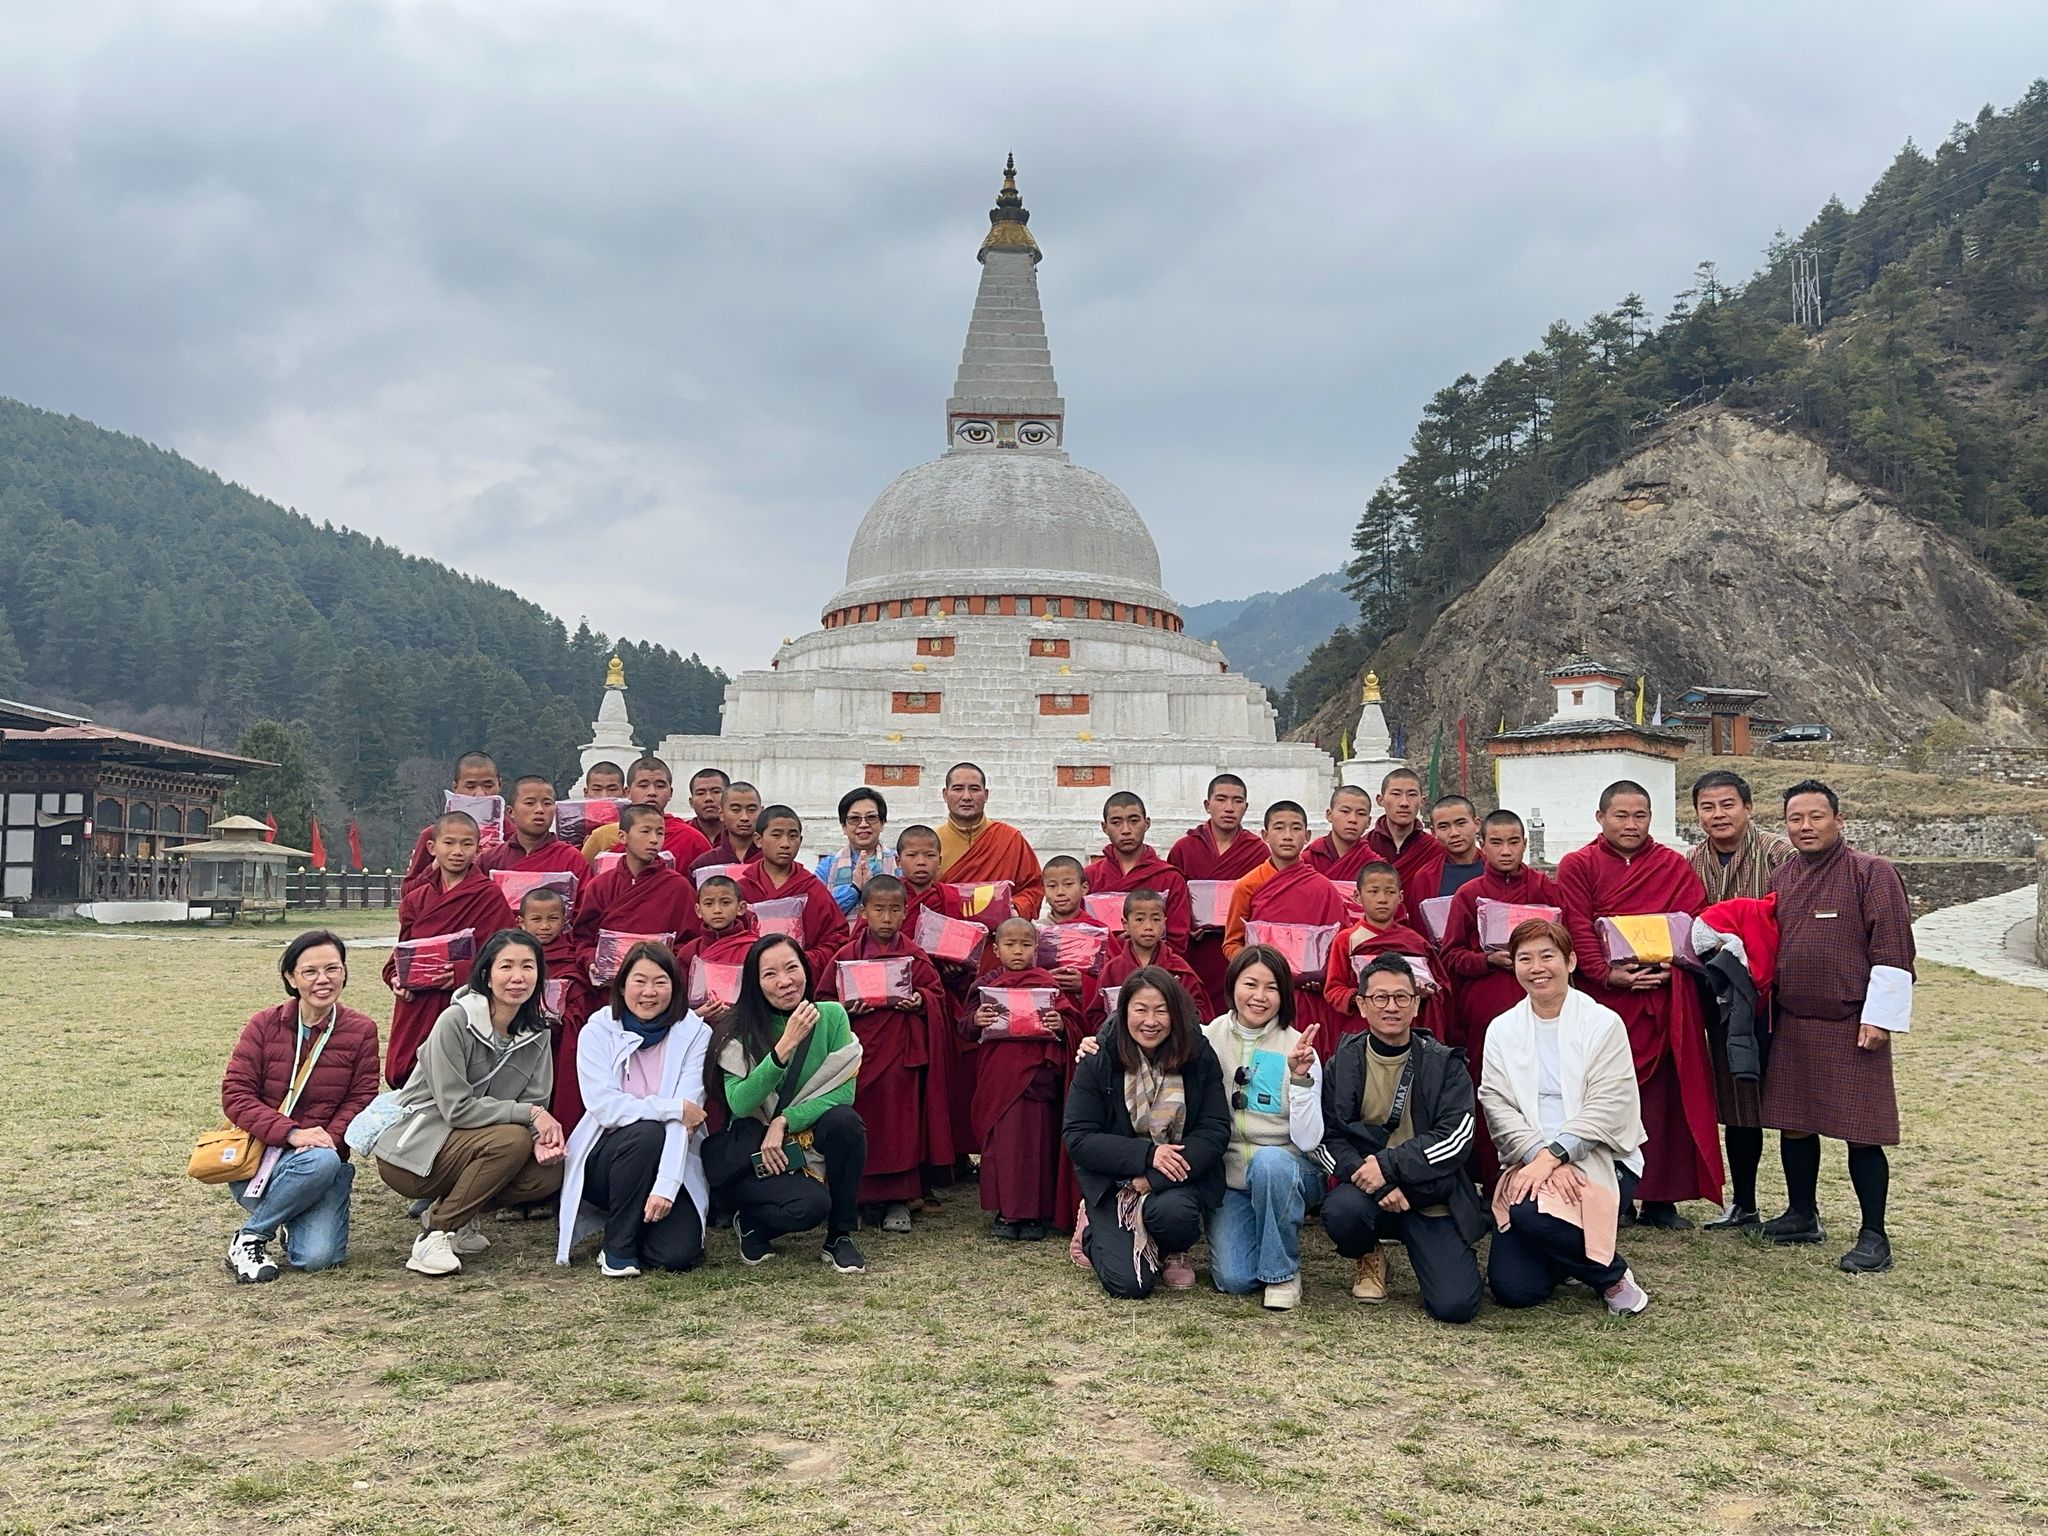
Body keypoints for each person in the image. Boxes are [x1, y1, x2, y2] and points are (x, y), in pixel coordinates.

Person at [1761, 780, 1915, 1274]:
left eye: (1816, 816)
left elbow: (1893, 947)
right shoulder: (1783, 875)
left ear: (1838, 820)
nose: (1805, 827)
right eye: (1795, 819)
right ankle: (1802, 1215)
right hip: (1794, 1019)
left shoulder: (1872, 873)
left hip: (1852, 1021)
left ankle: (1875, 1234)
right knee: (1795, 1124)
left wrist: (1880, 1017)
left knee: (1862, 1131)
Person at [1555, 780, 1722, 1227]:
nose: (1631, 825)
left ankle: (1661, 1198)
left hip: (1664, 1000)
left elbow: (1695, 922)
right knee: (1606, 1096)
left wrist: (1679, 966)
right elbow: (1575, 923)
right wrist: (1604, 972)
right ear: (1601, 817)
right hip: (1606, 1001)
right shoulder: (1579, 865)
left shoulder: (1671, 864)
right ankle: (1616, 1193)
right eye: (1621, 816)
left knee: (1663, 1099)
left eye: (1640, 816)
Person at [1478, 920, 1651, 1316]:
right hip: (1529, 1156)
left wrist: (1554, 1156)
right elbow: (1496, 1102)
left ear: (1570, 961)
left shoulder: (1603, 1023)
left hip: (1600, 1158)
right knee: (1514, 1290)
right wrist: (1539, 1155)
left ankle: (1612, 1277)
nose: (1537, 967)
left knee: (1526, 1212)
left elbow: (1608, 1105)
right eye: (1525, 958)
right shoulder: (1502, 1029)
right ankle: (1569, 1255)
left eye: (1547, 956)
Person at [371, 929, 566, 1276]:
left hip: (473, 1146)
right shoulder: (455, 1021)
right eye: (506, 966)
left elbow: (535, 1100)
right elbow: (457, 1108)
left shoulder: (537, 1034)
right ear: (487, 974)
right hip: (415, 1153)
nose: (517, 977)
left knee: (547, 1171)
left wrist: (542, 1141)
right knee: (512, 1139)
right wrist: (531, 1117)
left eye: (528, 967)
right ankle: (435, 1235)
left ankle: (455, 1216)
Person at [1319, 955, 1486, 1321]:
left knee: (1455, 1307)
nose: (1391, 1007)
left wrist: (1387, 1166)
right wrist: (1376, 1184)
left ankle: (1445, 1253)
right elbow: (1327, 1139)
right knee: (1341, 1211)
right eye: (1380, 998)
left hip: (1430, 1194)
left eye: (1401, 997)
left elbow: (1456, 1139)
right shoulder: (1343, 1062)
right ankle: (1369, 1254)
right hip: (1368, 1193)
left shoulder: (1445, 1064)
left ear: (1417, 1004)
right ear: (1362, 1005)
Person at [218, 930, 382, 1282]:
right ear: (291, 978)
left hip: (321, 1157)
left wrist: (327, 1139)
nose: (323, 980)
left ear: (344, 972)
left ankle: (263, 1227)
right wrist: (290, 1133)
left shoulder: (362, 1029)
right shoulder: (264, 1024)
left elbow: (362, 1098)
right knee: (319, 1162)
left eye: (332, 969)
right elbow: (236, 1093)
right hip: (262, 1156)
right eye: (310, 972)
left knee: (318, 1259)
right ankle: (256, 1235)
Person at [1062, 970, 1231, 1300]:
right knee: (1129, 1285)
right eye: (1140, 1009)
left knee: (1176, 1215)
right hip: (1115, 1184)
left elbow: (1214, 1130)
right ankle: (1092, 1230)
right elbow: (1078, 1136)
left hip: (1174, 1179)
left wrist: (1155, 1177)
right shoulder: (1100, 1055)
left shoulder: (1197, 1055)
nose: (1150, 1021)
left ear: (1177, 1012)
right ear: (1124, 1011)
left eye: (1161, 1010)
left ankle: (1171, 1249)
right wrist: (1148, 1156)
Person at [706, 935, 869, 1273]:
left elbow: (842, 1090)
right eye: (770, 974)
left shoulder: (831, 1016)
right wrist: (785, 1046)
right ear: (755, 981)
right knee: (810, 1207)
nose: (784, 981)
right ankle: (752, 1224)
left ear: (805, 970)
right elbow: (740, 1103)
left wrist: (784, 1122)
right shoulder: (737, 1029)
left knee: (846, 1122)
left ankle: (840, 1235)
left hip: (802, 1134)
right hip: (754, 1147)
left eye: (791, 968)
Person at [556, 941, 711, 1277]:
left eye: (660, 982)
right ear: (622, 984)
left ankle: (638, 1222)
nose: (649, 992)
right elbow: (606, 1108)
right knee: (646, 1131)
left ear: (676, 986)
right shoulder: (598, 1030)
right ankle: (617, 1248)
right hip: (608, 1159)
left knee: (676, 1255)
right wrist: (671, 1108)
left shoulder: (695, 1033)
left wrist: (666, 1187)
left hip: (671, 1157)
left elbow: (686, 1119)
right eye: (639, 981)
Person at [1685, 769, 1796, 1232]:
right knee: (1737, 1099)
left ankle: (1801, 1209)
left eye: (1727, 804)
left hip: (1778, 993)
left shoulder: (1780, 854)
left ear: (1748, 808)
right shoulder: (1690, 861)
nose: (1718, 815)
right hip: (1723, 996)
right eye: (1708, 807)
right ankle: (1744, 1204)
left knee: (1793, 1101)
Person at [816, 874, 954, 1233]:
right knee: (863, 1122)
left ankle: (899, 1199)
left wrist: (921, 1000)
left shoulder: (913, 954)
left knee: (900, 1126)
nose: (887, 918)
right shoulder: (846, 956)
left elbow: (936, 993)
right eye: (879, 910)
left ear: (906, 912)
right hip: (858, 1056)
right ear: (864, 912)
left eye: (895, 910)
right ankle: (859, 1199)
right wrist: (848, 1008)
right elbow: (824, 1000)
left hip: (901, 1056)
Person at [1439, 809, 1562, 1192]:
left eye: (1513, 842)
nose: (1506, 851)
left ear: (1525, 844)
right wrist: (1485, 959)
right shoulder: (1469, 894)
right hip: (1486, 1006)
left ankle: (1543, 1176)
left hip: (1540, 1004)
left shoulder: (1545, 889)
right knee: (1490, 1091)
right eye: (1496, 842)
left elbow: (1564, 945)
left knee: (1540, 1088)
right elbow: (1449, 955)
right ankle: (1491, 1181)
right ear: (1483, 846)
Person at [1202, 945, 1325, 1309]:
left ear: (1283, 994)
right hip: (1231, 1176)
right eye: (1250, 984)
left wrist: (1301, 1080)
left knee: (1270, 1164)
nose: (1259, 997)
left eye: (1271, 988)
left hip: (1288, 1168)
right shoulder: (1208, 1038)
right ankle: (1263, 1233)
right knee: (1234, 1279)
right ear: (1232, 986)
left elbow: (1310, 1139)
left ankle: (1283, 1273)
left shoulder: (1299, 1046)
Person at [382, 811, 517, 1086]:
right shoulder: (416, 899)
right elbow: (401, 951)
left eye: (467, 844)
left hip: (465, 1000)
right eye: (449, 843)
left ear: (478, 850)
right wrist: (394, 977)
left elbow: (505, 954)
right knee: (408, 1075)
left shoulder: (488, 895)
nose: (457, 851)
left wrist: (462, 973)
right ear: (432, 848)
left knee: (457, 1075)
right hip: (418, 1002)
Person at [971, 916, 1086, 1240]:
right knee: (1003, 1145)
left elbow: (1072, 1022)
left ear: (1036, 948)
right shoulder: (989, 982)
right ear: (996, 949)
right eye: (1010, 944)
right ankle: (1007, 1214)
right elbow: (965, 1025)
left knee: (1038, 1145)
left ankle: (1036, 1214)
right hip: (999, 1076)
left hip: (1037, 1077)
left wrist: (1062, 1025)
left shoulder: (1047, 983)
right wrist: (977, 1018)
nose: (1018, 951)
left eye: (1025, 944)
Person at [1222, 800, 1349, 1052]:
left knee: (1307, 1061)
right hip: (1263, 995)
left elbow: (1340, 943)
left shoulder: (1322, 887)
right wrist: (1258, 970)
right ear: (1265, 835)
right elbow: (1232, 943)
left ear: (1308, 835)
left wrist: (1323, 976)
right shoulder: (1248, 885)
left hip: (1309, 997)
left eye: (1296, 828)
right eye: (1279, 828)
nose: (1288, 836)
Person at [1168, 773, 1270, 1017]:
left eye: (1237, 801)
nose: (1229, 808)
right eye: (1221, 800)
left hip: (1238, 951)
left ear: (1246, 807)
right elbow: (1172, 900)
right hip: (1196, 950)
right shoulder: (1185, 848)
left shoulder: (1257, 851)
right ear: (1207, 805)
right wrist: (1185, 925)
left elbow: (1265, 902)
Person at [574, 804, 700, 985]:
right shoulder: (601, 886)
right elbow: (582, 938)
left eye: (660, 833)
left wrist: (662, 964)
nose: (654, 840)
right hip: (608, 985)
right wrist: (591, 959)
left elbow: (690, 942)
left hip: (659, 983)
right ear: (622, 837)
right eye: (645, 831)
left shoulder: (678, 886)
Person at [1321, 860, 1440, 1041]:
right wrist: (1364, 998)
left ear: (1400, 897)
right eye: (1373, 891)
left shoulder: (1415, 941)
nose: (1382, 899)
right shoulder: (1346, 940)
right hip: (1361, 1028)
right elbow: (1333, 989)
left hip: (1406, 1029)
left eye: (1390, 892)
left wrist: (1424, 993)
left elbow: (1441, 987)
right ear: (1357, 896)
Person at [741, 806, 852, 978]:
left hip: (799, 981)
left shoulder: (812, 889)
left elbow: (836, 940)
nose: (785, 844)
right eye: (776, 835)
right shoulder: (743, 888)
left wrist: (801, 960)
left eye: (792, 836)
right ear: (758, 839)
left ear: (800, 840)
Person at [516, 885, 590, 1143]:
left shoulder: (570, 957)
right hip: (515, 1044)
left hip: (557, 1045)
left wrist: (562, 1019)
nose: (545, 926)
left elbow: (579, 1002)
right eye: (536, 919)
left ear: (565, 920)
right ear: (521, 922)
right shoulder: (511, 954)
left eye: (553, 919)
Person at [1083, 793, 1192, 953]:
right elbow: (1080, 934)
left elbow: (1178, 939)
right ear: (1104, 827)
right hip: (1103, 973)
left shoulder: (1170, 877)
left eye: (1134, 821)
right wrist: (1115, 949)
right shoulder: (1089, 877)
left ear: (1147, 823)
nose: (1126, 830)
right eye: (1116, 822)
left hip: (1155, 973)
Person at [936, 761, 1044, 918]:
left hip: (1001, 936)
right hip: (949, 933)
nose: (966, 797)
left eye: (974, 789)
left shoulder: (1010, 839)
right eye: (958, 789)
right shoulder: (931, 843)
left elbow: (1034, 887)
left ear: (986, 795)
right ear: (945, 794)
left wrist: (1016, 909)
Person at [580, 756, 714, 869]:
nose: (652, 793)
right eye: (643, 786)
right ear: (627, 792)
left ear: (670, 793)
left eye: (660, 786)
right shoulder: (604, 836)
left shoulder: (692, 839)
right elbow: (586, 884)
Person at [1100, 889, 1211, 1018]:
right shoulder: (1112, 969)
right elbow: (1097, 1015)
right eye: (1140, 919)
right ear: (1125, 924)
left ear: (1164, 923)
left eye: (1156, 919)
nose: (1148, 926)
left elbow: (1200, 1011)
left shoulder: (1178, 968)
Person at [402, 751, 502, 888]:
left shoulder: (513, 836)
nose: (480, 794)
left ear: (499, 785)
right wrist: (440, 861)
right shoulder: (434, 834)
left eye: (488, 786)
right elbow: (408, 892)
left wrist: (499, 855)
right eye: (470, 786)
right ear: (455, 788)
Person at [1361, 768, 1445, 927]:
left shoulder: (1435, 850)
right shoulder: (1364, 848)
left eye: (1412, 795)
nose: (1404, 803)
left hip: (1421, 937)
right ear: (1381, 800)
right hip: (1372, 934)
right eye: (1396, 794)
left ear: (1422, 801)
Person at [674, 875, 759, 1024]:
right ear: (698, 910)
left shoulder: (754, 949)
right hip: (699, 1027)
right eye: (709, 903)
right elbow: (677, 1001)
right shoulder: (689, 952)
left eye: (725, 902)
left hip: (745, 1025)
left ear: (741, 908)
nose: (717, 910)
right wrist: (697, 1014)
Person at [479, 775, 592, 883]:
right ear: (511, 812)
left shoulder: (571, 858)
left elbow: (584, 901)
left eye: (547, 803)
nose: (539, 810)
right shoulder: (491, 859)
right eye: (530, 803)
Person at [818, 787, 899, 918]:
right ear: (843, 826)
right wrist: (854, 889)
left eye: (871, 817)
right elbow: (819, 914)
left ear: (883, 823)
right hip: (840, 938)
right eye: (854, 819)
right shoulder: (826, 867)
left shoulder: (898, 863)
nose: (863, 824)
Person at [1304, 783, 1376, 885]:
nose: (1353, 819)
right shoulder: (1308, 860)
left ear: (1368, 822)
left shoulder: (1374, 864)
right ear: (1329, 815)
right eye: (1345, 811)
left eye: (1361, 814)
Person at [695, 781, 765, 870]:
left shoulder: (775, 859)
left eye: (751, 810)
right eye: (736, 810)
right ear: (721, 813)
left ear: (762, 812)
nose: (744, 817)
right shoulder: (704, 864)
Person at [1428, 796, 1485, 898]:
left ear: (1476, 825)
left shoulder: (1499, 867)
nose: (1454, 833)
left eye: (1461, 823)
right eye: (1443, 826)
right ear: (1433, 832)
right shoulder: (1426, 877)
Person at [686, 767, 730, 845]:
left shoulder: (741, 834)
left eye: (716, 792)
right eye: (700, 793)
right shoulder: (681, 834)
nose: (708, 798)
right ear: (691, 802)